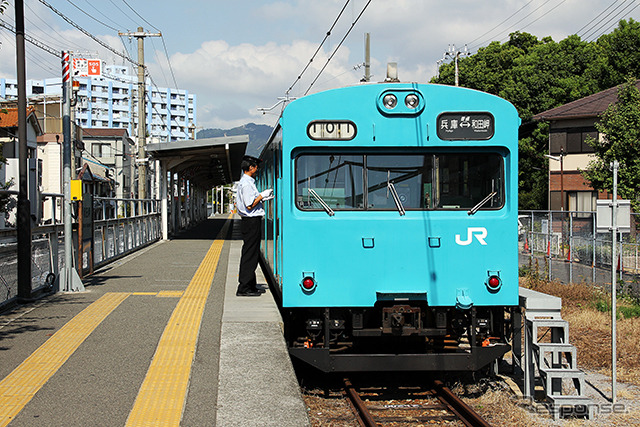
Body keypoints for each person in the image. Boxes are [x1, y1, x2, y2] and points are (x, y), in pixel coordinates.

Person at [235, 155, 273, 296]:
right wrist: (262, 196)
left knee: (252, 253)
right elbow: (249, 204)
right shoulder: (246, 183)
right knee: (250, 254)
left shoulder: (247, 182)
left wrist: (263, 197)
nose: (257, 169)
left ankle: (250, 285)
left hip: (251, 221)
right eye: (256, 166)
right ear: (250, 168)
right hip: (251, 221)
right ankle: (244, 288)